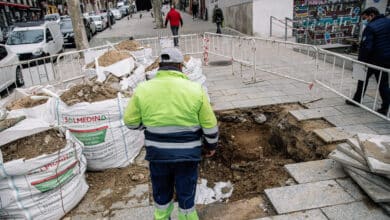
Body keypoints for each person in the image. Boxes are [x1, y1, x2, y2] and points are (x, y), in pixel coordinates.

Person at [124, 48, 219, 220]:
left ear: (159, 66)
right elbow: (210, 125)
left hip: (158, 155)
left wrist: (147, 127)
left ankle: (162, 217)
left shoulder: (143, 89)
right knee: (186, 195)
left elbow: (130, 122)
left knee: (161, 193)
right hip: (187, 156)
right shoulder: (195, 89)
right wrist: (211, 145)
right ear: (180, 67)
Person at [346, 7, 390, 115]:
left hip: (372, 60)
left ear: (372, 15)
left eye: (365, 18)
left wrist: (360, 62)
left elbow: (366, 47)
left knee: (362, 79)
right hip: (387, 59)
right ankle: (385, 107)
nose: (365, 21)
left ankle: (357, 100)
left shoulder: (371, 27)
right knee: (383, 84)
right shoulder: (388, 22)